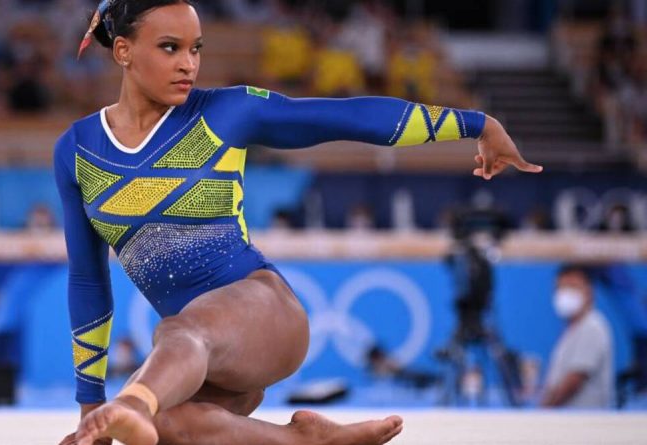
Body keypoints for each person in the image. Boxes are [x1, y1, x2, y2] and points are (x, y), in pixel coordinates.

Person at [55, 2, 543, 444]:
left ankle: (134, 403)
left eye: (196, 49)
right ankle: (306, 439)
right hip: (204, 361)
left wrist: (477, 124)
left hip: (266, 316)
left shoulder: (227, 113)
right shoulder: (77, 151)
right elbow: (88, 280)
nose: (189, 64)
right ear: (122, 50)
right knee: (169, 428)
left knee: (172, 348)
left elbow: (349, 118)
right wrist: (91, 406)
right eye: (170, 48)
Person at [541, 265, 614, 409]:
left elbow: (575, 380)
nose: (565, 294)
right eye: (560, 288)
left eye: (572, 287)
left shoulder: (592, 327)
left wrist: (544, 411)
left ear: (589, 291)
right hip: (568, 420)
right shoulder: (572, 331)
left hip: (585, 421)